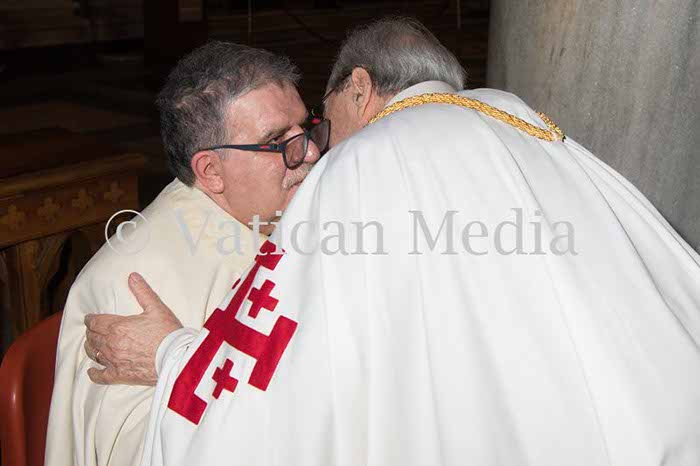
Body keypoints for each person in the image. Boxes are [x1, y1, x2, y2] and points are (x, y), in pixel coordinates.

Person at [85, 18, 700, 466]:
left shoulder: (370, 159)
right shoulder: (521, 121)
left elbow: (298, 384)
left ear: (359, 87)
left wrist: (171, 355)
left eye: (321, 122)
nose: (317, 151)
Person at [45, 42, 326, 466]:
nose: (311, 152)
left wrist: (178, 358)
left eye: (305, 127)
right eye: (275, 141)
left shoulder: (284, 214)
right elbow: (142, 452)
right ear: (210, 172)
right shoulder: (132, 286)